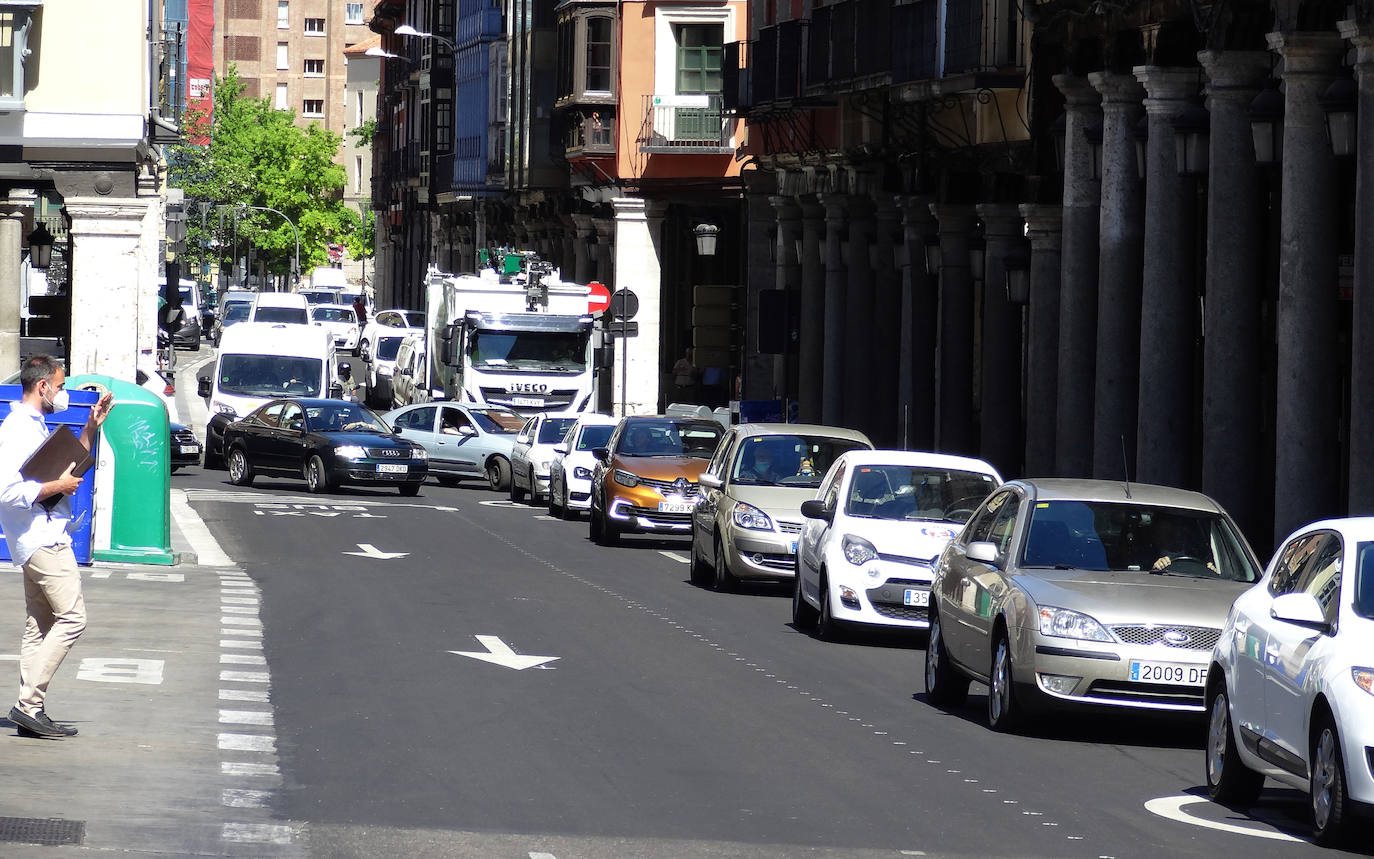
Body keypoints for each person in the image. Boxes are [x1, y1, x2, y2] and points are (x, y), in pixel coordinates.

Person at [0, 355, 113, 738]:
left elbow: (71, 463)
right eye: (61, 387)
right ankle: (27, 702)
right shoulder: (17, 428)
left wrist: (91, 426)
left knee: (40, 624)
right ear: (43, 386)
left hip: (41, 536)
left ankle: (31, 710)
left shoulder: (34, 425)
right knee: (73, 618)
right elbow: (8, 492)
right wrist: (56, 488)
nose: (63, 393)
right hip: (42, 538)